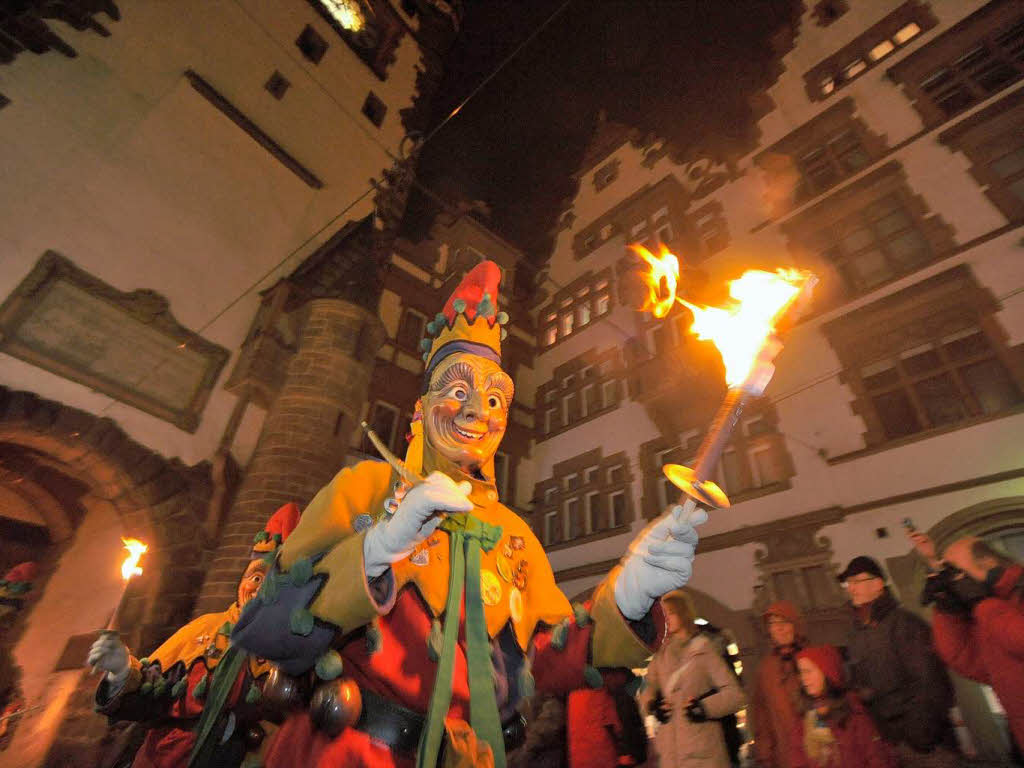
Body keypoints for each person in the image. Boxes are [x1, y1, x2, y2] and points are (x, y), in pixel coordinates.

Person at [230, 261, 706, 768]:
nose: (479, 410)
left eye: (495, 397)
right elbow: (269, 630)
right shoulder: (365, 488)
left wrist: (630, 597)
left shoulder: (513, 535)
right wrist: (375, 551)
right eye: (459, 391)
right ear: (422, 406)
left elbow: (550, 657)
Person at [88, 502, 301, 768]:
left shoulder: (290, 653)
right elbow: (150, 700)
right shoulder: (205, 629)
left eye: (274, 582)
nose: (260, 589)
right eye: (256, 578)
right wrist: (120, 671)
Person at [909, 531, 1024, 755]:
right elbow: (966, 660)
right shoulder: (988, 609)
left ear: (988, 562)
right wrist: (947, 611)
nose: (957, 580)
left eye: (958, 572)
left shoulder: (1008, 596)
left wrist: (981, 602)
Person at [838, 556, 957, 767]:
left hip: (924, 745)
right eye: (848, 583)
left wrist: (919, 737)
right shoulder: (855, 634)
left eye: (857, 581)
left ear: (878, 584)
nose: (851, 588)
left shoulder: (904, 623)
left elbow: (931, 681)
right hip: (888, 743)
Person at [639, 589, 745, 768]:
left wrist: (704, 707)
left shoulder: (705, 649)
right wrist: (653, 706)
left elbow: (735, 695)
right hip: (671, 752)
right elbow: (645, 689)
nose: (666, 618)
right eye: (663, 614)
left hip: (702, 749)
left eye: (671, 612)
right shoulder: (661, 655)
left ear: (683, 613)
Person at [789, 645, 896, 768]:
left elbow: (876, 758)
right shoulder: (803, 717)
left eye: (808, 671)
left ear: (827, 673)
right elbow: (797, 759)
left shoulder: (854, 714)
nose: (803, 679)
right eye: (801, 672)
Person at [751, 601, 806, 768]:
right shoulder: (766, 669)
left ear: (795, 625)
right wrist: (765, 755)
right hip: (785, 754)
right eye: (773, 624)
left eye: (784, 622)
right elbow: (762, 716)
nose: (779, 628)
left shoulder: (812, 658)